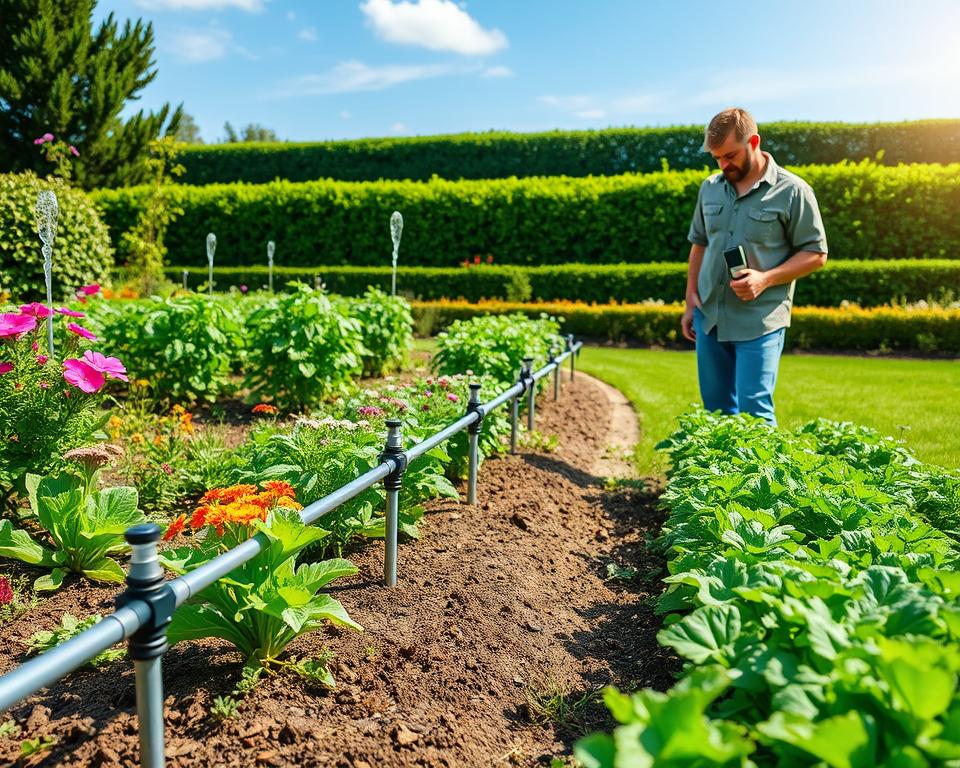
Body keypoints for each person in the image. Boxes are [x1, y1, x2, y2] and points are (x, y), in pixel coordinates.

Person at [682, 107, 828, 425]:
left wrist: (765, 279)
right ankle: (719, 476)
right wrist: (690, 299)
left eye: (730, 155)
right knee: (716, 414)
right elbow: (700, 243)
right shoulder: (709, 188)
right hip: (710, 318)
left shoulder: (793, 191)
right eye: (717, 158)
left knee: (755, 415)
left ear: (754, 142)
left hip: (760, 322)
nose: (724, 165)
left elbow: (816, 253)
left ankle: (761, 477)